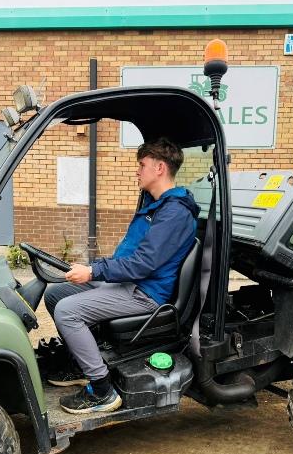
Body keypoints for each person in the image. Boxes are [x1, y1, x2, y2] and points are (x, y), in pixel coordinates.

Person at [43, 137, 200, 414]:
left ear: (160, 168)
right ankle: (82, 364)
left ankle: (102, 390)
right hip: (128, 282)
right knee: (56, 294)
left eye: (142, 165)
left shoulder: (175, 213)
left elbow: (143, 264)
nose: (137, 171)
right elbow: (131, 256)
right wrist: (93, 269)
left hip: (145, 293)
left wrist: (93, 270)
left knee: (67, 312)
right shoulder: (156, 204)